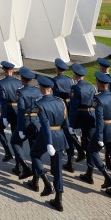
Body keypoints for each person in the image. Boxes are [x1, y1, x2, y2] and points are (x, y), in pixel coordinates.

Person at [31, 75, 68, 211]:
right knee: (58, 169)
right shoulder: (60, 102)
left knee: (34, 154)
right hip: (59, 134)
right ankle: (59, 199)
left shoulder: (40, 103)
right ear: (51, 88)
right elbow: (65, 120)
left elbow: (45, 124)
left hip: (47, 136)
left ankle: (46, 182)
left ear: (41, 88)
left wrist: (48, 143)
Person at [89, 71, 111, 200]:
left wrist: (99, 137)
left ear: (99, 84)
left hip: (105, 129)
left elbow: (99, 120)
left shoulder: (98, 99)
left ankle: (106, 176)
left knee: (92, 151)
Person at [13, 66, 42, 181]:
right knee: (34, 150)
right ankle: (35, 180)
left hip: (26, 121)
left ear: (22, 79)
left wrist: (20, 128)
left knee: (15, 142)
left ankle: (25, 167)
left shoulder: (21, 92)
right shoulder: (38, 90)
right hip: (37, 122)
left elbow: (20, 111)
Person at [67, 64, 96, 179]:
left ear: (75, 74)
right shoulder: (91, 86)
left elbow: (74, 108)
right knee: (89, 143)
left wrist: (71, 124)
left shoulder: (75, 88)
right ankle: (90, 171)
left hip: (80, 115)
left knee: (67, 132)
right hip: (91, 115)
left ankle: (78, 151)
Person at [0, 61, 20, 164]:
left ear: (4, 71)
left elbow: (3, 101)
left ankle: (7, 151)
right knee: (16, 135)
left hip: (8, 109)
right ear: (12, 71)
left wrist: (4, 116)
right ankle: (19, 163)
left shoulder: (1, 83)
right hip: (17, 110)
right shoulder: (19, 82)